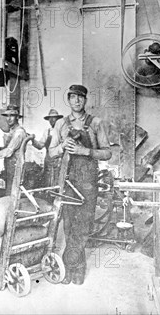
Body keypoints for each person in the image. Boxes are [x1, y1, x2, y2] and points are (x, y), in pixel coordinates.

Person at [49, 84, 111, 285]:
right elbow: (50, 152)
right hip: (67, 179)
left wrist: (86, 152)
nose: (76, 101)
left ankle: (68, 265)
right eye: (73, 97)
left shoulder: (96, 123)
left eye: (80, 97)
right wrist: (61, 147)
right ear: (68, 100)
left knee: (83, 225)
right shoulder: (61, 124)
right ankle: (78, 268)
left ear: (85, 100)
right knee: (68, 225)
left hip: (88, 181)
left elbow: (108, 152)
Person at [0, 104, 27, 195]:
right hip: (10, 166)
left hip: (16, 166)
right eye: (7, 116)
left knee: (12, 193)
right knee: (9, 190)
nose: (9, 118)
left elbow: (9, 151)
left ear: (17, 117)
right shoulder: (12, 131)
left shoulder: (19, 132)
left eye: (12, 116)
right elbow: (8, 148)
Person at [33, 109, 63, 187]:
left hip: (59, 160)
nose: (52, 120)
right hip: (48, 159)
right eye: (50, 118)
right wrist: (32, 139)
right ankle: (47, 197)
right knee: (47, 180)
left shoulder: (62, 131)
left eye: (54, 118)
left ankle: (57, 198)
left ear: (58, 119)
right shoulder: (47, 132)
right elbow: (40, 145)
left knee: (58, 180)